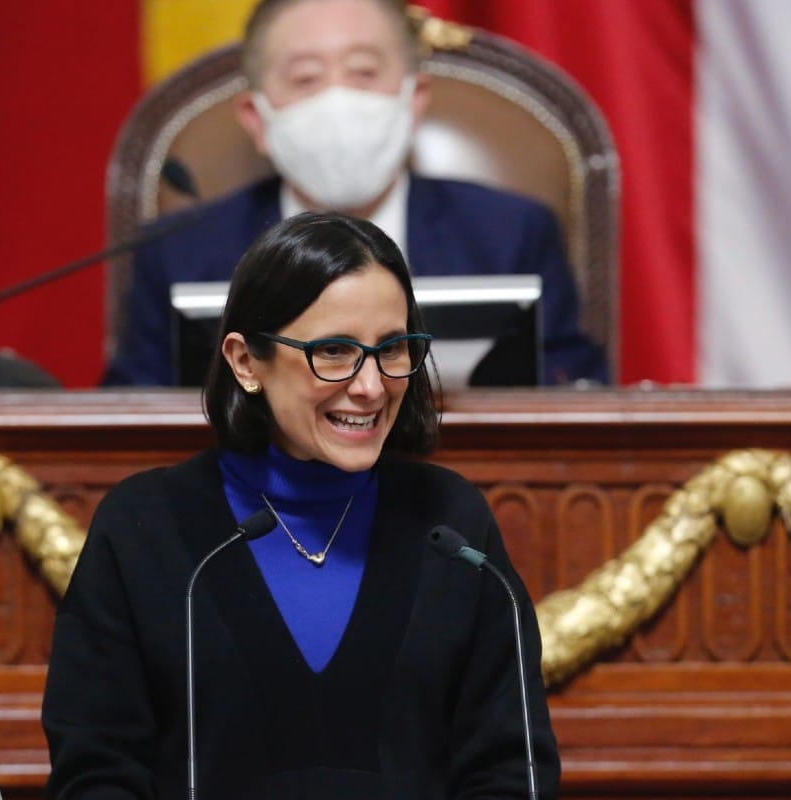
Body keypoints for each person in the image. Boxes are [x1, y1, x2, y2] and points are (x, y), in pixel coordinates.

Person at [45, 212, 561, 799]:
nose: (370, 386)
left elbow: (512, 775)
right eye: (335, 351)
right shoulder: (142, 528)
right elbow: (95, 773)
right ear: (245, 362)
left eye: (392, 349)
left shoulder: (452, 529)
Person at [102, 0, 608, 388]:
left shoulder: (510, 234)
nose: (336, 98)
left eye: (364, 72)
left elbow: (574, 395)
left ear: (414, 101)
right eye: (305, 78)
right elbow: (128, 420)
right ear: (257, 119)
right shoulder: (179, 251)